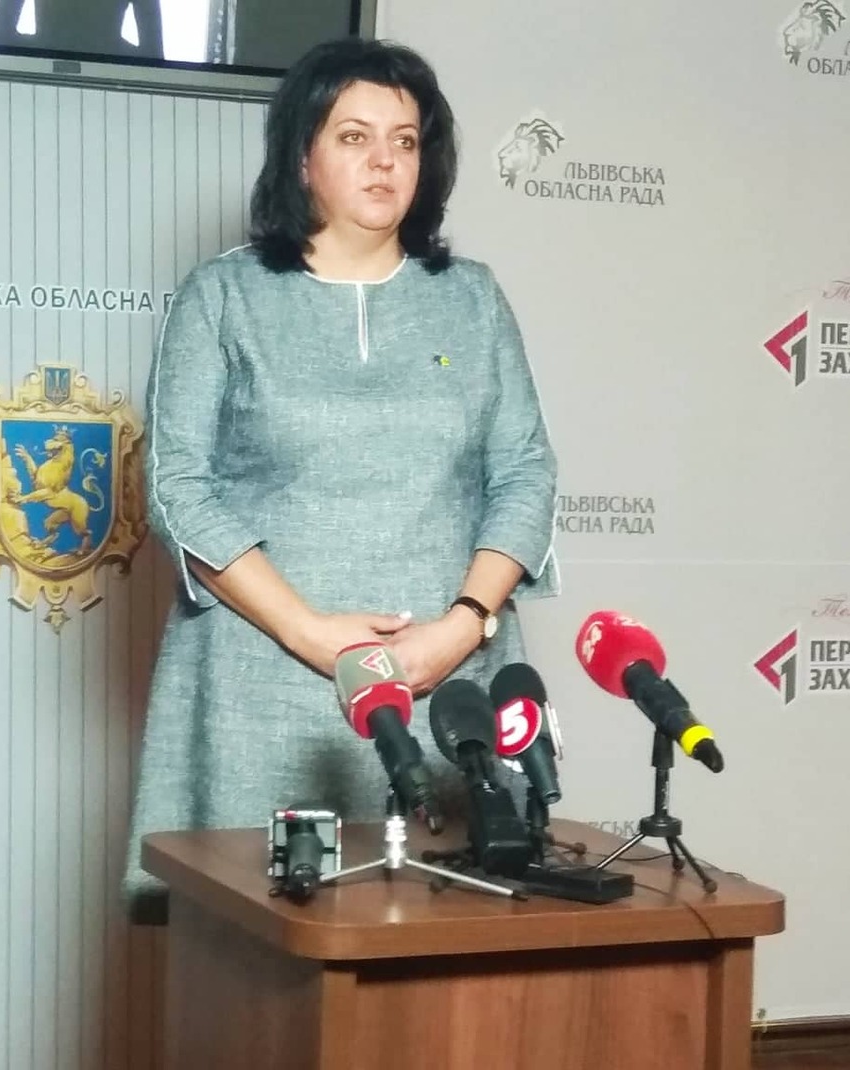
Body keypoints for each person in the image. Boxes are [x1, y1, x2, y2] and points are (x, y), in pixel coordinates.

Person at [123, 36, 559, 908]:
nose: (384, 161)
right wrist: (308, 632)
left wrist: (464, 625)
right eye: (354, 137)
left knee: (449, 946)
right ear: (302, 157)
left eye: (405, 140)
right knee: (255, 956)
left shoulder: (471, 298)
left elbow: (525, 471)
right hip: (264, 686)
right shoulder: (225, 295)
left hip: (444, 684)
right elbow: (176, 485)